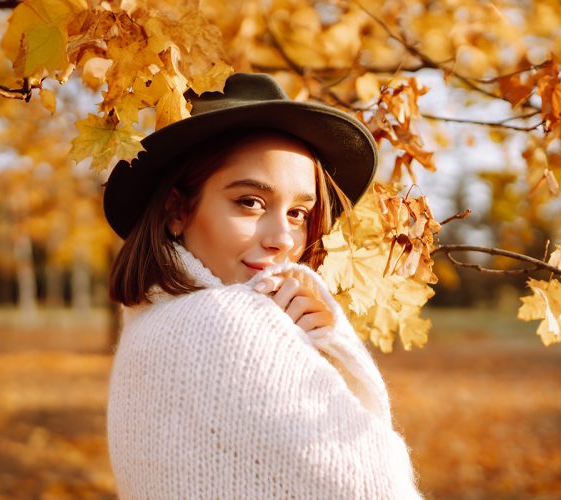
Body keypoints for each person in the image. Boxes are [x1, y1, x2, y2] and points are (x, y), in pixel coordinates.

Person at [103, 73, 421, 499]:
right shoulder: (232, 323)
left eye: (298, 213)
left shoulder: (150, 325)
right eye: (250, 202)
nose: (283, 239)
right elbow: (376, 484)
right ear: (176, 209)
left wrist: (321, 344)